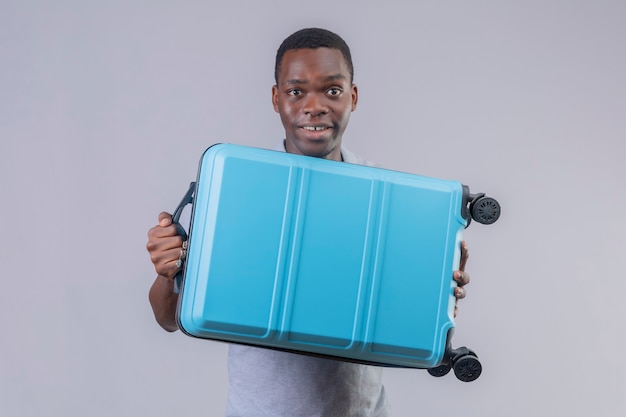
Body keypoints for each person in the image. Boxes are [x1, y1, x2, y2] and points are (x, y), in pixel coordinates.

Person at [146, 27, 471, 417]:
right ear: (276, 98)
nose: (313, 106)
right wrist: (169, 274)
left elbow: (404, 312)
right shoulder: (236, 190)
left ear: (352, 97)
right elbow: (168, 318)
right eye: (296, 91)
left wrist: (439, 292)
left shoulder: (392, 202)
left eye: (332, 91)